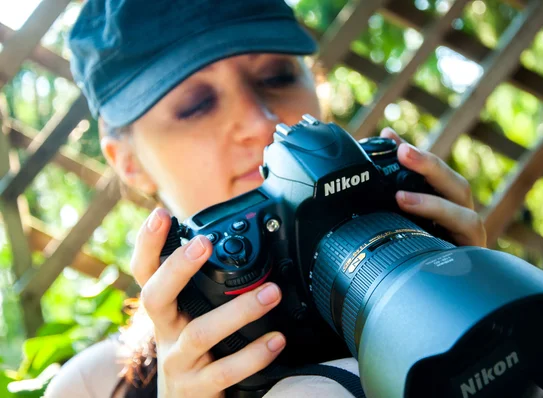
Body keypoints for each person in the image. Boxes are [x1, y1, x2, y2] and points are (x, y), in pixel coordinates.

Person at [44, 0, 487, 397]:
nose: (259, 121)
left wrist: (479, 301)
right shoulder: (93, 388)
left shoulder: (419, 235)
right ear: (127, 161)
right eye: (196, 104)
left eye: (276, 77)